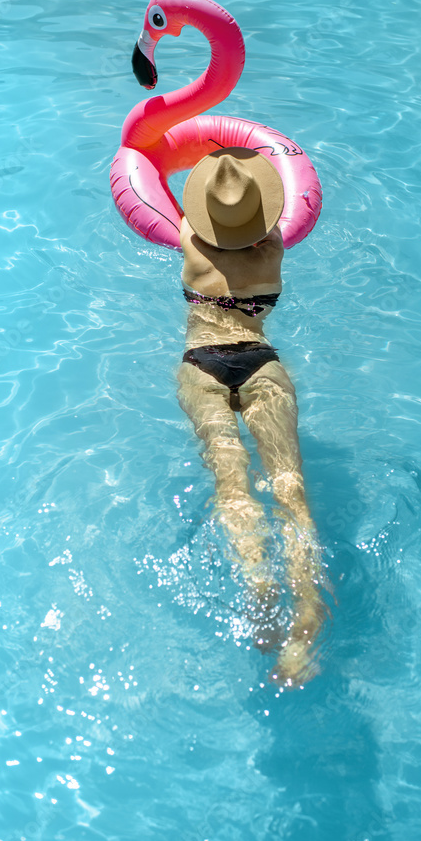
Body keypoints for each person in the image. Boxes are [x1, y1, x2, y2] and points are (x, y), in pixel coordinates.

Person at [177, 146, 329, 687]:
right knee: (291, 492)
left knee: (232, 482)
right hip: (261, 364)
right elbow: (269, 213)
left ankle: (258, 586)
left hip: (202, 365)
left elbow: (174, 207)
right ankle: (307, 622)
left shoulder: (188, 240)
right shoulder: (275, 248)